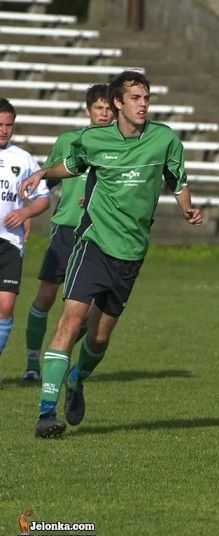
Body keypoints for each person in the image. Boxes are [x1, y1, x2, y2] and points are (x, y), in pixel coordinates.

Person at [20, 71, 202, 438]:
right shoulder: (94, 139)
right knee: (69, 322)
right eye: (135, 98)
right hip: (94, 243)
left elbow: (177, 180)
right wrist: (43, 173)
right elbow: (71, 166)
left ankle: (77, 376)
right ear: (117, 102)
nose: (143, 104)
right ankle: (46, 411)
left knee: (99, 339)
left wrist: (187, 208)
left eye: (146, 98)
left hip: (131, 253)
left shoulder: (164, 139)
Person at [20, 84, 113, 384]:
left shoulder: (120, 146)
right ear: (88, 110)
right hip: (66, 229)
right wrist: (27, 214)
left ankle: (60, 356)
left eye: (109, 108)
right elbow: (45, 182)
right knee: (46, 296)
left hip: (98, 232)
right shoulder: (68, 141)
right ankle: (32, 363)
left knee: (87, 310)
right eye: (99, 108)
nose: (104, 113)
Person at [0, 98, 51, 388]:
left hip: (10, 242)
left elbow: (43, 198)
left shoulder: (24, 158)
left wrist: (25, 212)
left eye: (9, 125)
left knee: (5, 307)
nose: (4, 130)